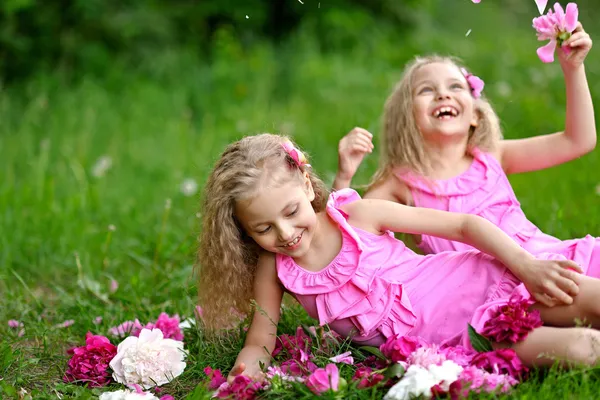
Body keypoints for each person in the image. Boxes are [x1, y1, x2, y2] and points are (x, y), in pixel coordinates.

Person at [197, 133, 600, 383]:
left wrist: (526, 266)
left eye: (290, 213)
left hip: (480, 281)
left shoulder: (357, 216)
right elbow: (260, 342)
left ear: (305, 183)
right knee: (584, 348)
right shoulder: (276, 270)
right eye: (263, 229)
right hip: (458, 342)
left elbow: (463, 225)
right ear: (243, 231)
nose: (285, 235)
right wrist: (245, 371)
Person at [334, 24, 597, 294]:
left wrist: (573, 68)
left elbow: (578, 140)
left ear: (475, 116)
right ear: (407, 118)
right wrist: (344, 176)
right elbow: (349, 238)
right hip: (489, 292)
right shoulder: (401, 185)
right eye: (426, 90)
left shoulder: (492, 156)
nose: (443, 94)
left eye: (456, 86)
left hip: (549, 261)